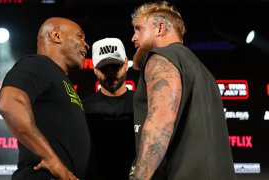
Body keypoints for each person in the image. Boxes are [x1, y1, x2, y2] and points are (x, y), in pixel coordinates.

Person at [129, 1, 236, 180]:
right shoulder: (203, 72)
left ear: (160, 28)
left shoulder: (160, 59)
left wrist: (138, 177)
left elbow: (160, 121)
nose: (133, 37)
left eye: (138, 29)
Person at [0, 17, 91, 180]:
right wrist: (52, 161)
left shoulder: (60, 78)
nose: (86, 44)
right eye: (80, 36)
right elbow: (9, 103)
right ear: (56, 35)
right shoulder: (39, 64)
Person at [83, 38, 136, 180]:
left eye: (115, 66)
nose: (110, 73)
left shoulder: (143, 104)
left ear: (126, 64)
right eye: (104, 68)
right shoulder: (84, 108)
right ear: (94, 69)